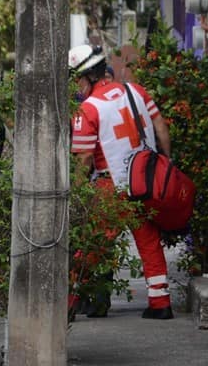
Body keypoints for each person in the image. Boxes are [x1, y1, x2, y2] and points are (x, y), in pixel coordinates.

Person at [69, 44, 174, 320]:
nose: (76, 86)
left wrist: (78, 192)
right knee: (149, 240)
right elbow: (161, 128)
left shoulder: (87, 110)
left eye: (77, 79)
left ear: (87, 77)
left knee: (93, 246)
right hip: (146, 180)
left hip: (111, 186)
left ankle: (66, 301)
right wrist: (167, 164)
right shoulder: (136, 91)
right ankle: (160, 302)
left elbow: (84, 159)